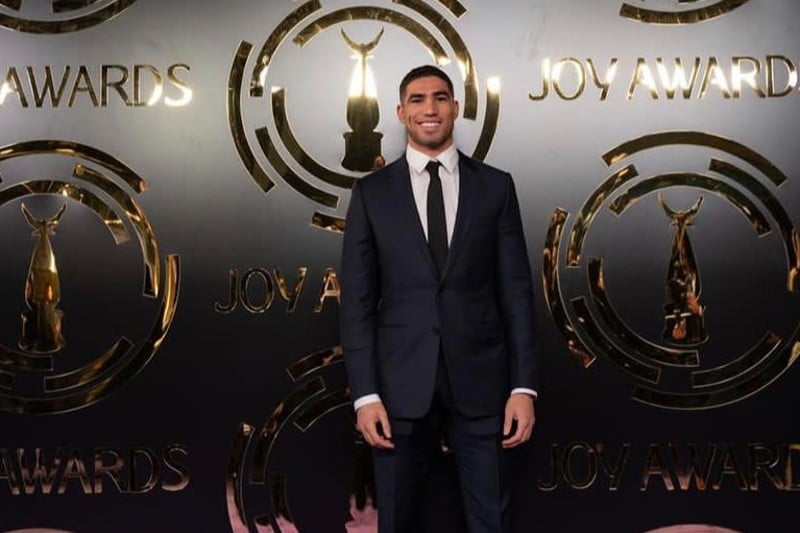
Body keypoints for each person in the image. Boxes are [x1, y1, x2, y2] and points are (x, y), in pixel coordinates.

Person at [340, 65, 539, 533]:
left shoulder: (495, 187)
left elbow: (516, 293)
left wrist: (523, 388)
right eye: (417, 99)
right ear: (400, 112)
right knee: (397, 520)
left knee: (492, 521)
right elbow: (358, 305)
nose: (429, 108)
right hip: (399, 389)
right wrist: (365, 395)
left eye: (440, 97)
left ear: (455, 108)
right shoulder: (371, 194)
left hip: (484, 386)